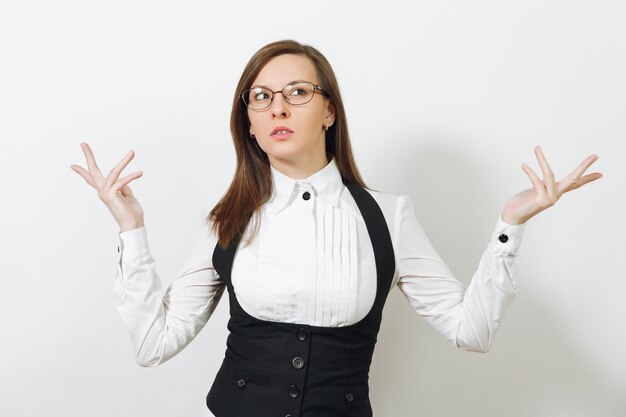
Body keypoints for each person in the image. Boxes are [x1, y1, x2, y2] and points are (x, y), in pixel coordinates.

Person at [70, 39, 603, 417]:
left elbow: (473, 331)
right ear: (250, 124)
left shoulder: (388, 216)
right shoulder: (226, 221)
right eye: (260, 96)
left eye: (297, 92)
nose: (277, 106)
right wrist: (131, 230)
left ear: (329, 110)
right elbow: (152, 345)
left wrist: (510, 224)